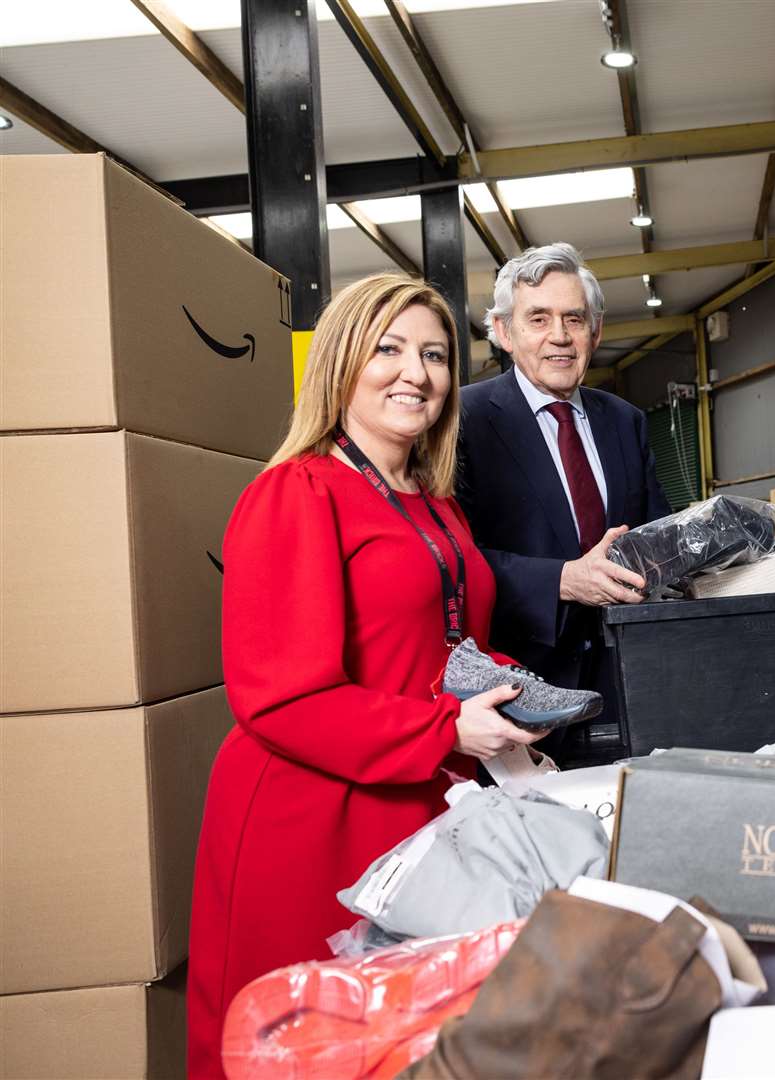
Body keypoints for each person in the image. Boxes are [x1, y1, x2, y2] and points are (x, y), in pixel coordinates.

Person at [188, 273, 545, 1077]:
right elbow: (282, 696)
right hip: (316, 815)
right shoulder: (295, 493)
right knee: (318, 1044)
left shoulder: (433, 502)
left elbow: (442, 643)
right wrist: (449, 728)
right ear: (341, 362)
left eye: (433, 354)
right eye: (387, 349)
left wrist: (510, 690)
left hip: (418, 801)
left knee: (413, 1039)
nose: (414, 372)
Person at [458, 242, 671, 764]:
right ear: (504, 332)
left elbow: (654, 527)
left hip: (628, 675)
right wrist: (561, 580)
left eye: (573, 319)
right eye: (538, 319)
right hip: (523, 691)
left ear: (594, 332)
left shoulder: (624, 419)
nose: (559, 336)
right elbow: (454, 558)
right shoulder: (463, 421)